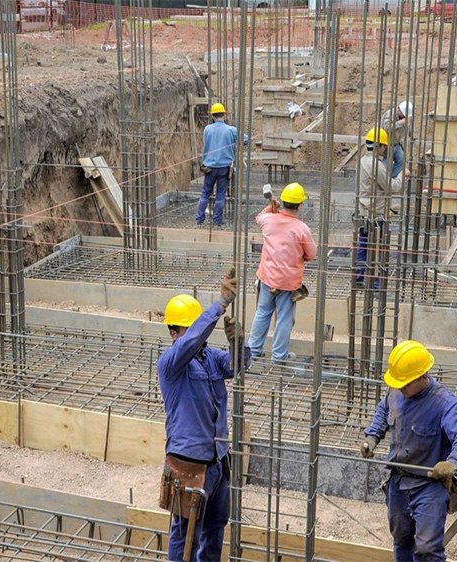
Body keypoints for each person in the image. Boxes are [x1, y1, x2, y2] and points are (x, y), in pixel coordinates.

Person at [157, 272, 250, 562]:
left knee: (215, 527)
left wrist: (238, 343)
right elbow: (195, 338)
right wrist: (221, 303)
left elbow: (238, 366)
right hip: (188, 462)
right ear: (174, 333)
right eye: (189, 327)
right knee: (186, 533)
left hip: (217, 460)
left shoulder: (210, 358)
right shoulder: (170, 364)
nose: (197, 334)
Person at [360, 340, 457, 562]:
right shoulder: (396, 391)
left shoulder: (444, 403)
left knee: (427, 548)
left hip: (429, 486)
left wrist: (453, 462)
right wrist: (372, 437)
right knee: (401, 539)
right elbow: (384, 410)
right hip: (398, 483)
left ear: (423, 377)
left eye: (405, 384)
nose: (400, 388)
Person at [247, 182, 317, 362]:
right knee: (284, 318)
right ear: (299, 206)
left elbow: (259, 217)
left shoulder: (268, 220)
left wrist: (271, 208)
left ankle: (253, 352)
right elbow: (311, 254)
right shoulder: (302, 229)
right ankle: (279, 357)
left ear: (283, 202)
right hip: (288, 283)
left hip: (267, 278)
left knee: (262, 313)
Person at [356, 127, 405, 288]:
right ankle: (376, 285)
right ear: (379, 146)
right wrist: (402, 174)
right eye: (384, 146)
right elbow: (392, 187)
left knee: (363, 244)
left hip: (363, 211)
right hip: (376, 213)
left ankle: (358, 277)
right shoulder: (376, 165)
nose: (385, 150)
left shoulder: (362, 161)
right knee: (379, 248)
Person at [196, 102, 243, 227]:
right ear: (224, 114)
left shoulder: (207, 129)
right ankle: (217, 220)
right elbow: (245, 139)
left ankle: (199, 219)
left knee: (205, 193)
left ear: (213, 116)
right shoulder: (231, 130)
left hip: (209, 167)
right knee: (221, 195)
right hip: (224, 168)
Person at [380, 100, 414, 179]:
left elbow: (408, 128)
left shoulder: (403, 117)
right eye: (404, 114)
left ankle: (391, 179)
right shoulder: (389, 114)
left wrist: (411, 135)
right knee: (386, 164)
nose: (405, 116)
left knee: (401, 160)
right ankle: (382, 178)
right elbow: (387, 128)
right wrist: (400, 123)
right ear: (399, 110)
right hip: (386, 144)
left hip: (396, 144)